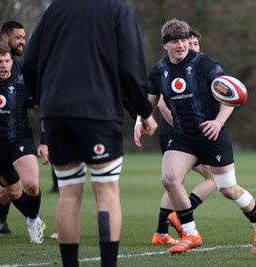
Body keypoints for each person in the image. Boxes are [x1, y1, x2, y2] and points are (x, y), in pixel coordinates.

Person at [22, 0, 157, 266]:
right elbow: (130, 69)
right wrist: (144, 111)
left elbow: (29, 61)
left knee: (69, 194)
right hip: (98, 112)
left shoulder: (56, 9)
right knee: (106, 190)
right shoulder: (117, 10)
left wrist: (44, 99)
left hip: (57, 113)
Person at [134, 18, 256, 255]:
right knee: (170, 178)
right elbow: (149, 102)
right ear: (165, 44)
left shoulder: (204, 63)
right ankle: (191, 233)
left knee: (229, 189)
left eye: (184, 40)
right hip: (183, 135)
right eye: (175, 41)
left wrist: (218, 121)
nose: (181, 45)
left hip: (211, 134)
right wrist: (139, 122)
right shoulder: (159, 71)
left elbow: (230, 94)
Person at [151, 28, 218, 247]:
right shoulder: (166, 69)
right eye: (190, 42)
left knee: (175, 181)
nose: (189, 46)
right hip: (177, 132)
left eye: (193, 43)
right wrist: (182, 127)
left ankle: (161, 231)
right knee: (213, 177)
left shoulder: (196, 67)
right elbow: (160, 102)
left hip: (183, 132)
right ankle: (181, 217)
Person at [0, 44, 47, 244]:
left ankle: (33, 221)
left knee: (32, 185)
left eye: (7, 61)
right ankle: (34, 219)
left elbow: (46, 108)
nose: (3, 65)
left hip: (20, 141)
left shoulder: (21, 83)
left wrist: (44, 142)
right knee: (13, 192)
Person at [0, 20, 27, 234]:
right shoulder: (8, 63)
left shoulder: (15, 64)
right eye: (18, 37)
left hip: (12, 136)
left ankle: (1, 218)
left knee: (12, 183)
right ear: (5, 38)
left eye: (24, 38)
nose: (22, 42)